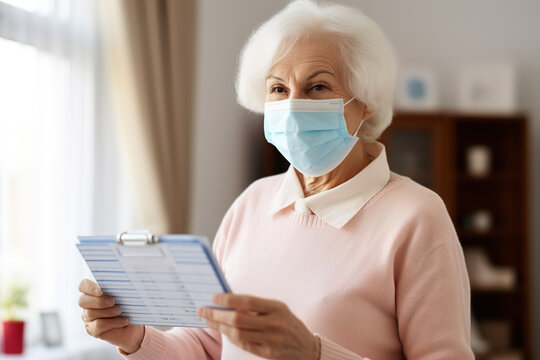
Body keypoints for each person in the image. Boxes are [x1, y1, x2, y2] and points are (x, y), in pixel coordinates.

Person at [78, 1, 474, 359]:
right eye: (278, 89)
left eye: (317, 87)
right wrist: (135, 337)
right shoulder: (252, 203)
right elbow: (207, 344)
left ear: (365, 101)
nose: (292, 106)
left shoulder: (416, 217)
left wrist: (315, 354)